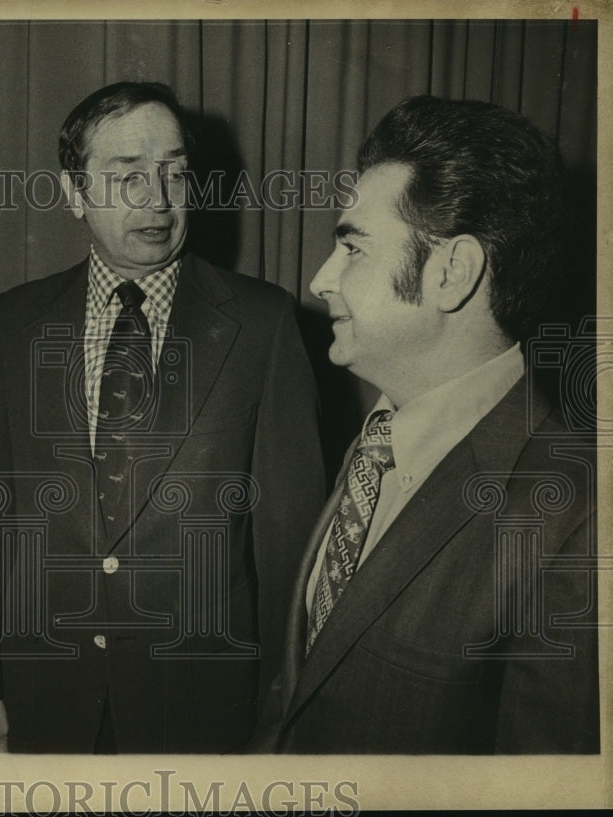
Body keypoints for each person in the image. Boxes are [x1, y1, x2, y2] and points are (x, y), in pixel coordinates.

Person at [0, 81, 325, 753]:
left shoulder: (262, 322)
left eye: (174, 172)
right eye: (126, 176)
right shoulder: (16, 319)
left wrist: (282, 718)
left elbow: (291, 547)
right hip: (48, 695)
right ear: (74, 193)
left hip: (202, 707)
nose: (157, 199)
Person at [253, 95, 599, 753]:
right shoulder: (379, 436)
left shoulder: (575, 514)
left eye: (352, 248)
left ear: (451, 272)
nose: (324, 278)